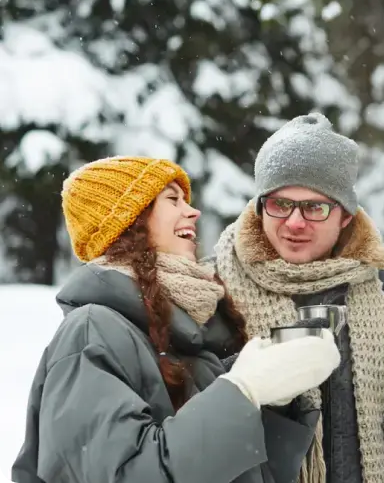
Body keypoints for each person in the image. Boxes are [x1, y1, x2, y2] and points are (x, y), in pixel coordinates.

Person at [12, 156, 341, 483]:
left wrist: (273, 399)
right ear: (130, 222)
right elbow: (129, 475)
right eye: (172, 199)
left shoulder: (185, 336)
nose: (192, 211)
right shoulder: (90, 333)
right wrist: (242, 392)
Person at [212, 113, 384, 483]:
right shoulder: (215, 286)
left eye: (314, 207)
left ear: (345, 216)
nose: (294, 222)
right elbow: (184, 404)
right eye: (280, 204)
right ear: (261, 206)